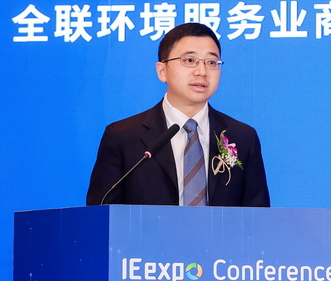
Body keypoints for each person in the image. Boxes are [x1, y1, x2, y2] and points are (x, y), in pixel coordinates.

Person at [86, 22, 270, 207]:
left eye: (211, 62)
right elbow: (100, 212)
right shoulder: (123, 137)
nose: (202, 72)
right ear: (162, 71)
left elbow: (258, 216)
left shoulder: (243, 137)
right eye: (189, 60)